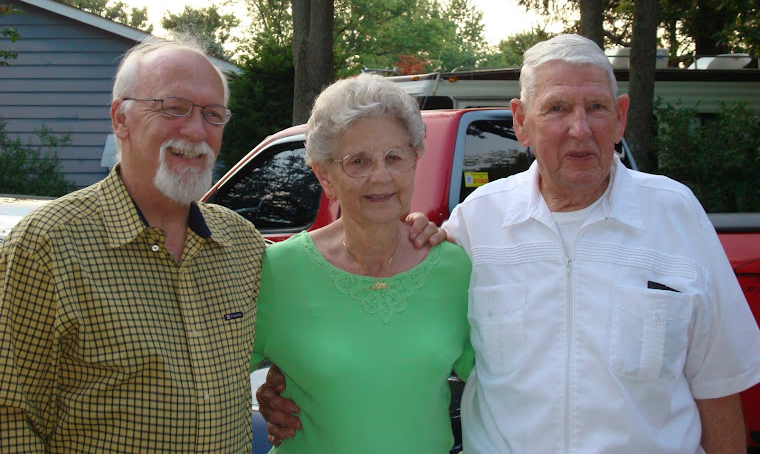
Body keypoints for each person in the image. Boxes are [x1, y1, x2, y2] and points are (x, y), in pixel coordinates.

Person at [261, 34, 760, 453]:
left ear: (621, 117)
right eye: (557, 109)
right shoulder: (477, 224)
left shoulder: (675, 215)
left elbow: (717, 385)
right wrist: (290, 385)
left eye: (596, 108)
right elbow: (382, 302)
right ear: (521, 121)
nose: (579, 128)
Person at [0, 37, 267, 453]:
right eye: (174, 108)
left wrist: (405, 237)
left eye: (213, 115)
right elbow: (12, 416)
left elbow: (298, 346)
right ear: (120, 119)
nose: (197, 131)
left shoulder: (242, 245)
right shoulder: (48, 246)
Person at [250, 73, 473, 452]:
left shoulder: (454, 268)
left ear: (416, 159)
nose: (381, 176)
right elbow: (208, 378)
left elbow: (500, 381)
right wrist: (263, 402)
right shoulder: (277, 270)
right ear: (325, 175)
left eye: (394, 157)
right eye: (358, 161)